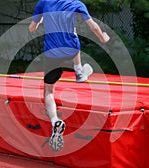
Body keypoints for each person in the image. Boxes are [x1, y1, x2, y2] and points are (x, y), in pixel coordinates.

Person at [29, 0, 110, 152]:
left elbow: (32, 29)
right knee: (72, 35)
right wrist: (102, 37)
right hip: (71, 49)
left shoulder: (44, 3)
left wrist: (38, 22)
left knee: (49, 92)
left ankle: (55, 121)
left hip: (52, 53)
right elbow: (92, 25)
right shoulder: (76, 4)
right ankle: (79, 71)